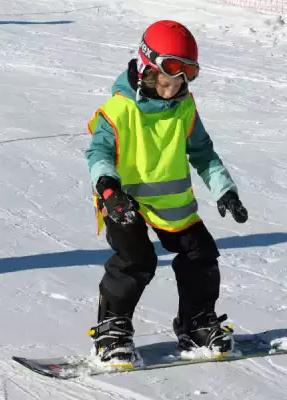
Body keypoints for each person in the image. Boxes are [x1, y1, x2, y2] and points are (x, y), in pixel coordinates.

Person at [85, 20, 249, 367]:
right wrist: (108, 189)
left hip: (171, 203)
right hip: (123, 201)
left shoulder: (185, 107)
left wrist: (224, 189)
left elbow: (202, 152)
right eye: (168, 75)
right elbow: (98, 153)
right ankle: (111, 330)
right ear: (146, 64)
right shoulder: (118, 109)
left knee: (200, 255)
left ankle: (197, 324)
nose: (174, 86)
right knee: (135, 259)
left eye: (184, 77)